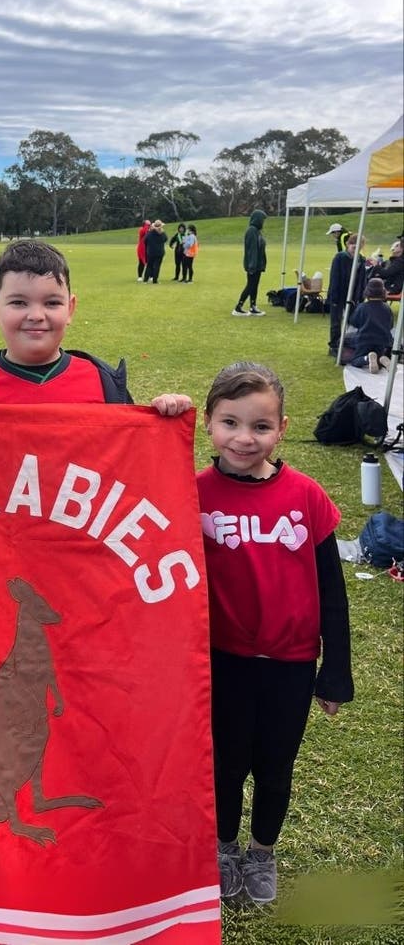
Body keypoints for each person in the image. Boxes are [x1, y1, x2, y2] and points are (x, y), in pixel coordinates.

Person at [198, 361, 353, 904]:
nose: (244, 438)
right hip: (222, 660)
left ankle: (261, 852)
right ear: (208, 424)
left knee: (274, 766)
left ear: (282, 428)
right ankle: (223, 847)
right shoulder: (188, 494)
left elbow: (333, 592)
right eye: (230, 422)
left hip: (290, 663)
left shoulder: (307, 497)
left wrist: (335, 673)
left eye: (260, 426)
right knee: (224, 763)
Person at [0, 239, 192, 414]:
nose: (36, 315)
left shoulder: (104, 383)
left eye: (52, 303)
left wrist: (163, 416)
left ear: (71, 309)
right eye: (18, 303)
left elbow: (132, 456)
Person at [328, 232, 366, 357]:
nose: (356, 250)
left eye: (359, 248)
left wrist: (360, 295)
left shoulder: (361, 259)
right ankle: (334, 345)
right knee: (336, 321)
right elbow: (334, 277)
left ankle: (347, 343)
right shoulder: (340, 257)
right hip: (338, 293)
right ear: (348, 245)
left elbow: (361, 279)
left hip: (354, 295)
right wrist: (333, 297)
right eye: (354, 247)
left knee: (352, 320)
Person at [348, 278, 394, 373]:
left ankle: (367, 358)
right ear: (383, 291)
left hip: (364, 339)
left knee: (355, 360)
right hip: (382, 340)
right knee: (378, 355)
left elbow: (354, 322)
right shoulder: (387, 308)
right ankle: (382, 359)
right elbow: (390, 325)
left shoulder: (362, 307)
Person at [232, 211, 266, 315]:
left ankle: (253, 306)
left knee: (255, 285)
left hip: (258, 265)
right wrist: (252, 266)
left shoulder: (257, 231)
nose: (263, 222)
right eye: (262, 220)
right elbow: (252, 250)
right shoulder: (252, 231)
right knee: (250, 285)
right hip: (253, 265)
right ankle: (238, 307)